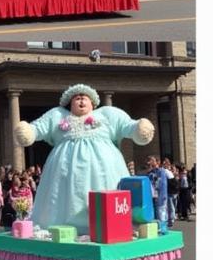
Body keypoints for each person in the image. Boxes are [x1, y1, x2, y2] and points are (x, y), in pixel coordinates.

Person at [14, 83, 154, 233]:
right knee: (62, 197)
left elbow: (126, 125)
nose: (81, 101)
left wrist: (137, 129)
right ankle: (62, 225)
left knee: (107, 191)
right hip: (65, 169)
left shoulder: (106, 114)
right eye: (77, 99)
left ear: (92, 103)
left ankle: (110, 222)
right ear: (70, 103)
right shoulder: (58, 116)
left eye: (84, 98)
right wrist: (29, 131)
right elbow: (39, 127)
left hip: (103, 167)